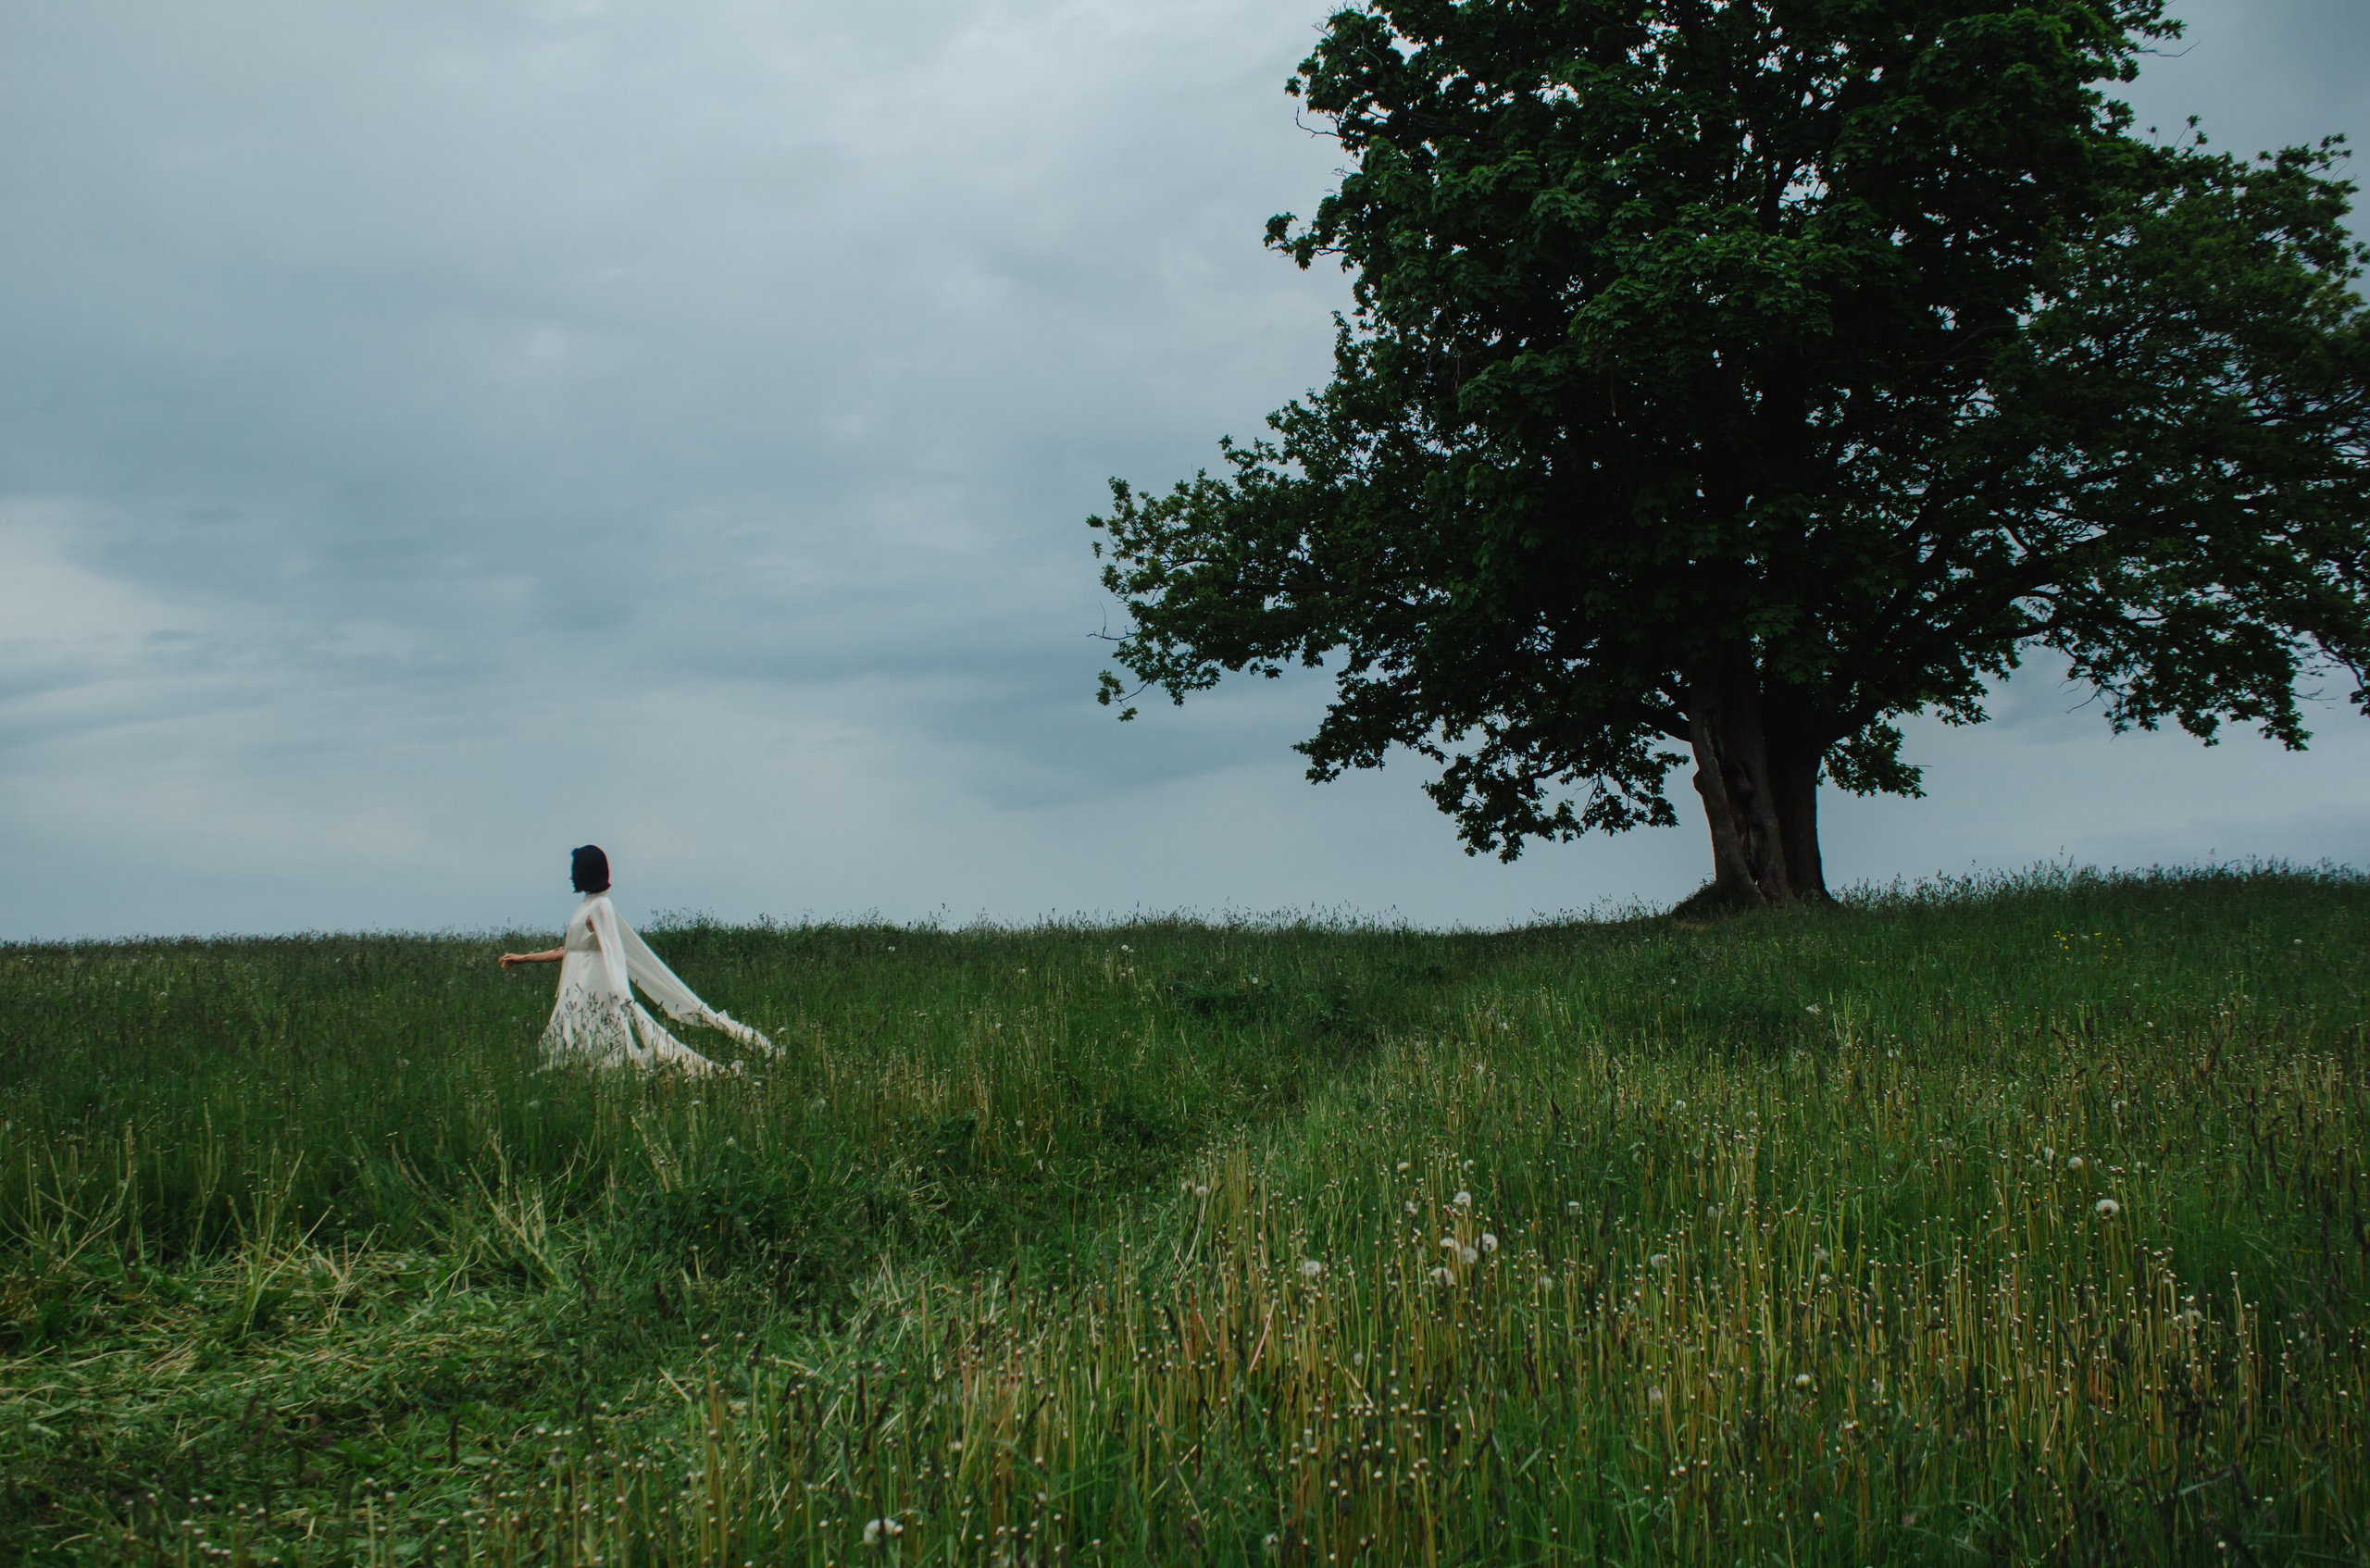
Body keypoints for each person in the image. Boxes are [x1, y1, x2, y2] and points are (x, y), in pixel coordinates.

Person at [499, 845, 775, 1073]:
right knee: (574, 1039)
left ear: (585, 873)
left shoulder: (601, 906)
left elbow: (613, 950)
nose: (571, 877)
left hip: (593, 986)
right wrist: (522, 958)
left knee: (599, 1042)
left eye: (575, 871)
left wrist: (621, 991)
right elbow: (569, 951)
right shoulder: (586, 907)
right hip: (575, 986)